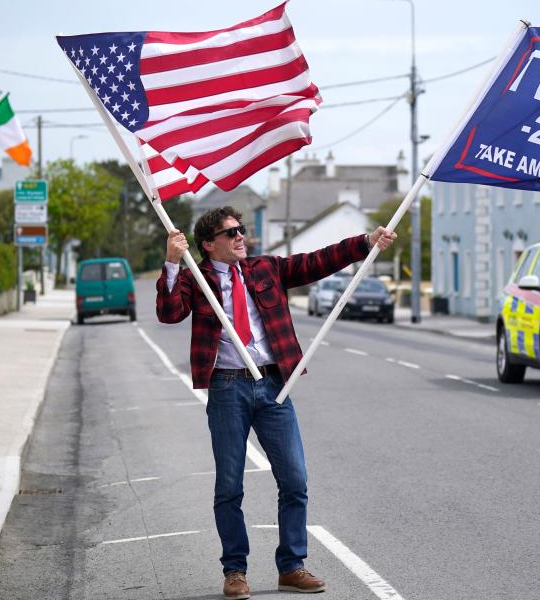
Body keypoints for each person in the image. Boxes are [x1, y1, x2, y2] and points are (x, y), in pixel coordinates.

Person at [156, 206, 396, 600]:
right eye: (230, 232)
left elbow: (316, 261)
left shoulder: (265, 269)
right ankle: (235, 571)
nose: (240, 237)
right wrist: (170, 262)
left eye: (241, 230)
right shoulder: (193, 279)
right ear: (208, 244)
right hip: (227, 388)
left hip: (273, 386)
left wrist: (365, 242)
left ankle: (292, 567)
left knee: (295, 480)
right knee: (230, 486)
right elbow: (169, 314)